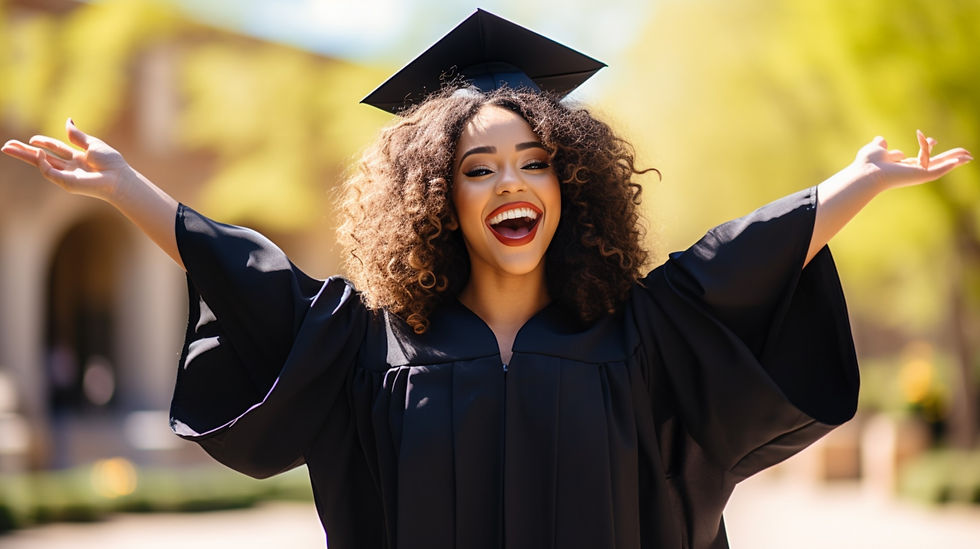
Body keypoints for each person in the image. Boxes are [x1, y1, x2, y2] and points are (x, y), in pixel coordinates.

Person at [2, 10, 972, 549]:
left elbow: (748, 257)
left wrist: (859, 179)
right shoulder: (369, 339)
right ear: (438, 197)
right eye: (476, 167)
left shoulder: (639, 331)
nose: (509, 181)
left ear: (569, 180)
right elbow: (247, 278)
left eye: (532, 160)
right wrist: (130, 188)